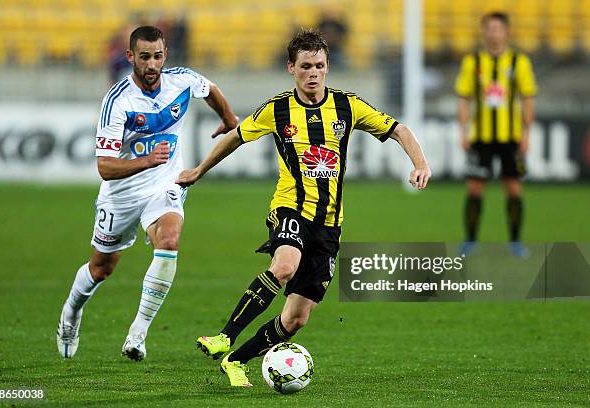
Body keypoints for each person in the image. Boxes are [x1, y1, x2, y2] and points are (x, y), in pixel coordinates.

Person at [177, 29, 431, 387]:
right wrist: (199, 171)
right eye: (306, 66)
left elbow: (399, 130)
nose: (314, 73)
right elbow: (236, 136)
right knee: (284, 265)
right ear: (291, 68)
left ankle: (235, 360)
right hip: (291, 209)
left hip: (329, 225)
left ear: (327, 68)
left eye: (320, 66)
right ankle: (225, 336)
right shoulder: (277, 109)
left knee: (296, 319)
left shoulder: (348, 105)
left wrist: (420, 163)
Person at [56, 26, 238, 361]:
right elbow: (105, 167)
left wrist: (227, 117)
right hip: (122, 194)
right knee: (102, 268)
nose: (152, 64)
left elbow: (208, 88)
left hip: (165, 185)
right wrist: (145, 161)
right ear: (131, 57)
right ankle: (70, 314)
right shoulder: (117, 101)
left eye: (157, 56)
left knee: (169, 241)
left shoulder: (181, 80)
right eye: (144, 57)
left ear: (165, 55)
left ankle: (137, 334)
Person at [456, 12, 537, 257]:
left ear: (506, 32)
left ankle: (515, 240)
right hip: (481, 138)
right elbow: (464, 99)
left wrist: (526, 134)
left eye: (498, 29)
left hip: (510, 137)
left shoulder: (519, 62)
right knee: (474, 189)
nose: (494, 33)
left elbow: (527, 99)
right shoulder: (472, 62)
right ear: (484, 32)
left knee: (513, 189)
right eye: (489, 28)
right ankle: (470, 240)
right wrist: (463, 131)